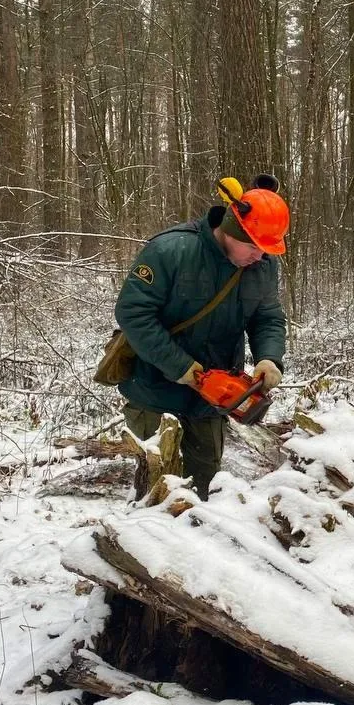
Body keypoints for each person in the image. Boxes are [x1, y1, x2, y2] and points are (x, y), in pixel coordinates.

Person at [114, 175, 289, 498]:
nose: (260, 257)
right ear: (232, 231)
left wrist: (269, 357)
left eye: (266, 250)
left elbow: (267, 316)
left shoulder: (262, 266)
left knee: (205, 492)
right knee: (156, 493)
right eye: (254, 246)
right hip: (154, 392)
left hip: (214, 399)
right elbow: (133, 314)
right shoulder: (172, 250)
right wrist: (184, 369)